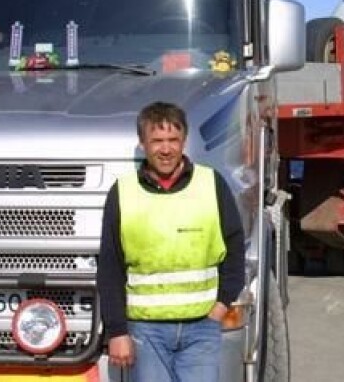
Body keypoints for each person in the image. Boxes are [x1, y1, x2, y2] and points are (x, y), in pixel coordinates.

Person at [97, 101, 244, 382]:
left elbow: (235, 250)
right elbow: (110, 268)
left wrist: (221, 305)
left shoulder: (212, 184)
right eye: (157, 141)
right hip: (146, 332)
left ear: (184, 141)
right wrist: (117, 331)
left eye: (173, 140)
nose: (166, 149)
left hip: (202, 328)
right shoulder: (123, 193)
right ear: (143, 143)